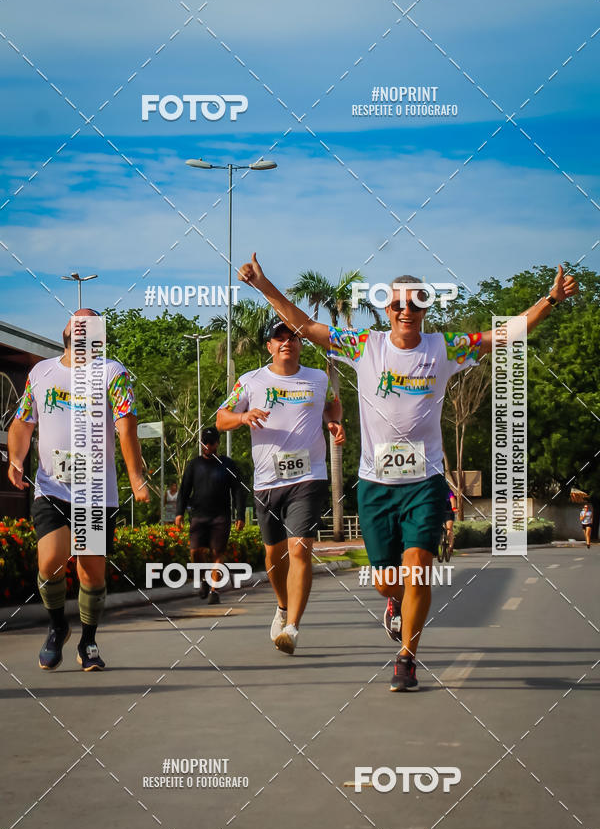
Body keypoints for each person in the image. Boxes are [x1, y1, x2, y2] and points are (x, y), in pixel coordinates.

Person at [238, 253, 579, 690]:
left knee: (418, 565)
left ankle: (407, 657)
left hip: (425, 481)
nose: (405, 310)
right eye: (398, 303)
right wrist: (265, 286)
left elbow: (506, 334)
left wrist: (550, 299)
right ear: (388, 309)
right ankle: (393, 603)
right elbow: (306, 327)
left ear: (424, 309)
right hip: (376, 485)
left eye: (415, 303)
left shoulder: (445, 348)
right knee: (386, 582)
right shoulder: (365, 346)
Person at [7, 309, 149, 672]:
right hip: (51, 487)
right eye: (78, 321)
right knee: (50, 560)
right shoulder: (41, 373)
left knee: (91, 573)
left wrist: (136, 477)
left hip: (96, 492)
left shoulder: (113, 374)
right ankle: (57, 626)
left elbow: (126, 426)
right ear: (66, 331)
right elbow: (23, 423)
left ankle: (88, 640)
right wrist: (16, 460)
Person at [216, 317, 345, 654]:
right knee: (274, 556)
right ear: (269, 346)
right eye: (279, 337)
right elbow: (221, 418)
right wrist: (243, 417)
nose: (287, 342)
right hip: (268, 481)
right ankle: (282, 605)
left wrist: (333, 423)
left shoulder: (318, 379)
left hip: (309, 476)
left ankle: (292, 627)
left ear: (301, 344)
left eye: (294, 337)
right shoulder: (250, 381)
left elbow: (333, 406)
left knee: (300, 548)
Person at [175, 426, 247, 604]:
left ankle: (214, 591)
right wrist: (179, 513)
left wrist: (240, 515)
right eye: (204, 442)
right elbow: (184, 490)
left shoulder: (228, 464)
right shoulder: (194, 465)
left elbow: (238, 490)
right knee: (195, 552)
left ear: (217, 444)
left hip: (220, 517)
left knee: (217, 553)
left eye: (210, 443)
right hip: (199, 516)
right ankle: (204, 580)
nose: (207, 446)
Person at [445, 488, 456, 553]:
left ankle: (450, 546)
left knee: (449, 529)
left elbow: (452, 499)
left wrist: (454, 508)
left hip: (449, 512)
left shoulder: (449, 491)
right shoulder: (434, 491)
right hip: (438, 513)